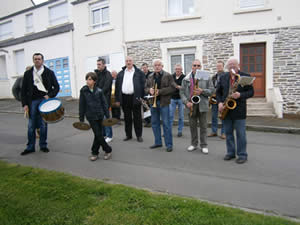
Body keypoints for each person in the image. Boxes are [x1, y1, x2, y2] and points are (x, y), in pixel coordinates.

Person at [216, 57, 254, 164]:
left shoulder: (245, 76)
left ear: (238, 66)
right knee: (228, 133)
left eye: (234, 64)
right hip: (226, 109)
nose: (232, 66)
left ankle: (242, 155)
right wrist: (219, 102)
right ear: (227, 67)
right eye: (230, 65)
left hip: (239, 110)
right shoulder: (223, 77)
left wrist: (240, 95)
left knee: (241, 134)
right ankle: (230, 152)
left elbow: (251, 92)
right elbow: (218, 92)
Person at [20, 53, 59, 155]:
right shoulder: (28, 73)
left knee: (43, 125)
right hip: (31, 102)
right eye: (35, 59)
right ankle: (30, 147)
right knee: (31, 126)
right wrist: (24, 104)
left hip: (44, 101)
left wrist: (49, 95)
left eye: (39, 59)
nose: (37, 60)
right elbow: (23, 91)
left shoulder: (49, 72)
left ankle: (43, 145)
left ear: (42, 60)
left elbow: (57, 87)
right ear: (33, 60)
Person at [180, 59, 213, 154]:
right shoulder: (186, 78)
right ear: (191, 67)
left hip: (202, 105)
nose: (196, 67)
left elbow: (212, 90)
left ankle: (204, 145)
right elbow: (181, 92)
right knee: (192, 126)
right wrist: (186, 102)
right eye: (194, 65)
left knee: (203, 127)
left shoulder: (206, 77)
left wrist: (202, 91)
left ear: (201, 67)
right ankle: (194, 144)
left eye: (198, 65)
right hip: (191, 105)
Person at [79, 72, 112, 161]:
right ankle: (108, 149)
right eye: (87, 79)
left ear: (94, 81)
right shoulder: (83, 91)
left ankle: (94, 152)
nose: (88, 81)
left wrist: (107, 116)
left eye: (90, 79)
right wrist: (81, 118)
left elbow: (104, 104)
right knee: (98, 134)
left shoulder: (99, 91)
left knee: (98, 135)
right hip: (91, 116)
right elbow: (81, 105)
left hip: (100, 115)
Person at [145, 59, 176, 152]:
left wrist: (160, 91)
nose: (157, 67)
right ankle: (158, 142)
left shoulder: (168, 75)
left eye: (159, 65)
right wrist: (149, 90)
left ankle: (169, 144)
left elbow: (173, 88)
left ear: (162, 66)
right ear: (153, 67)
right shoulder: (150, 76)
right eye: (155, 65)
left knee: (166, 124)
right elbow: (145, 88)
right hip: (153, 103)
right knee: (154, 123)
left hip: (164, 103)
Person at [115, 56, 145, 142]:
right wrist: (117, 99)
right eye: (127, 61)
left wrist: (142, 98)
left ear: (133, 62)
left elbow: (143, 86)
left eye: (130, 61)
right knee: (127, 118)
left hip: (136, 97)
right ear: (125, 62)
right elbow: (117, 87)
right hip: (124, 98)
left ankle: (139, 135)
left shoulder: (139, 72)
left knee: (137, 118)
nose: (128, 62)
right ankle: (128, 135)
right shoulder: (121, 73)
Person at [95, 58, 113, 143]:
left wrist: (97, 93)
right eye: (97, 64)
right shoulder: (96, 74)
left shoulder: (108, 74)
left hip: (105, 100)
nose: (98, 66)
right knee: (100, 118)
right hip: (97, 101)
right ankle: (104, 134)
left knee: (106, 118)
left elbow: (106, 88)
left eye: (99, 64)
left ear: (104, 65)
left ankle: (109, 135)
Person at [208, 61, 226, 139]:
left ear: (223, 67)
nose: (219, 67)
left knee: (223, 116)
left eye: (220, 66)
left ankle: (223, 133)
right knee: (214, 116)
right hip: (214, 98)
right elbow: (211, 87)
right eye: (217, 66)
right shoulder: (214, 77)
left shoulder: (226, 76)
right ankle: (214, 131)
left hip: (222, 99)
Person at [169, 64, 185, 137]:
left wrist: (179, 87)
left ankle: (180, 131)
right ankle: (168, 131)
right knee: (170, 115)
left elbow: (185, 87)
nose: (178, 70)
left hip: (181, 98)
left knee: (181, 116)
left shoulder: (184, 77)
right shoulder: (171, 76)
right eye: (176, 69)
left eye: (179, 69)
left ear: (181, 70)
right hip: (172, 98)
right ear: (174, 70)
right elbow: (169, 85)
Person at [141, 63, 152, 127]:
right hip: (143, 94)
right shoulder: (141, 75)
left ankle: (151, 121)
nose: (144, 69)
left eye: (145, 67)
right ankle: (147, 121)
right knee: (144, 108)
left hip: (149, 94)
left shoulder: (151, 74)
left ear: (147, 67)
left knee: (149, 107)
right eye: (143, 68)